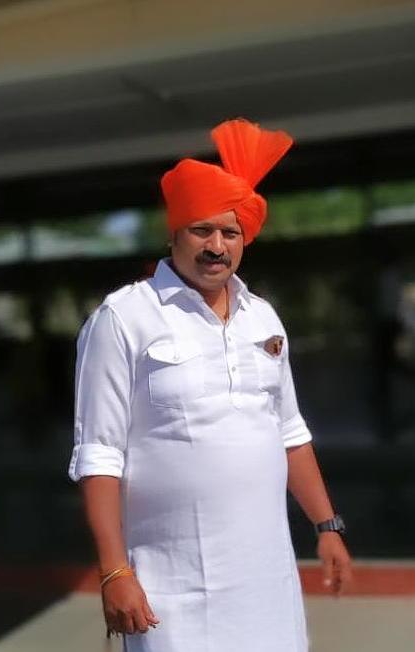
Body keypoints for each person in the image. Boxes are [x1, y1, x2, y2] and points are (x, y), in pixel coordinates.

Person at [68, 118, 353, 652]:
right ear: (174, 233)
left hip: (266, 583)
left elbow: (289, 432)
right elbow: (98, 454)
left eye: (230, 233)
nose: (216, 246)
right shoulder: (123, 318)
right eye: (201, 230)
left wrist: (327, 525)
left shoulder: (262, 317)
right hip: (171, 589)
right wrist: (114, 571)